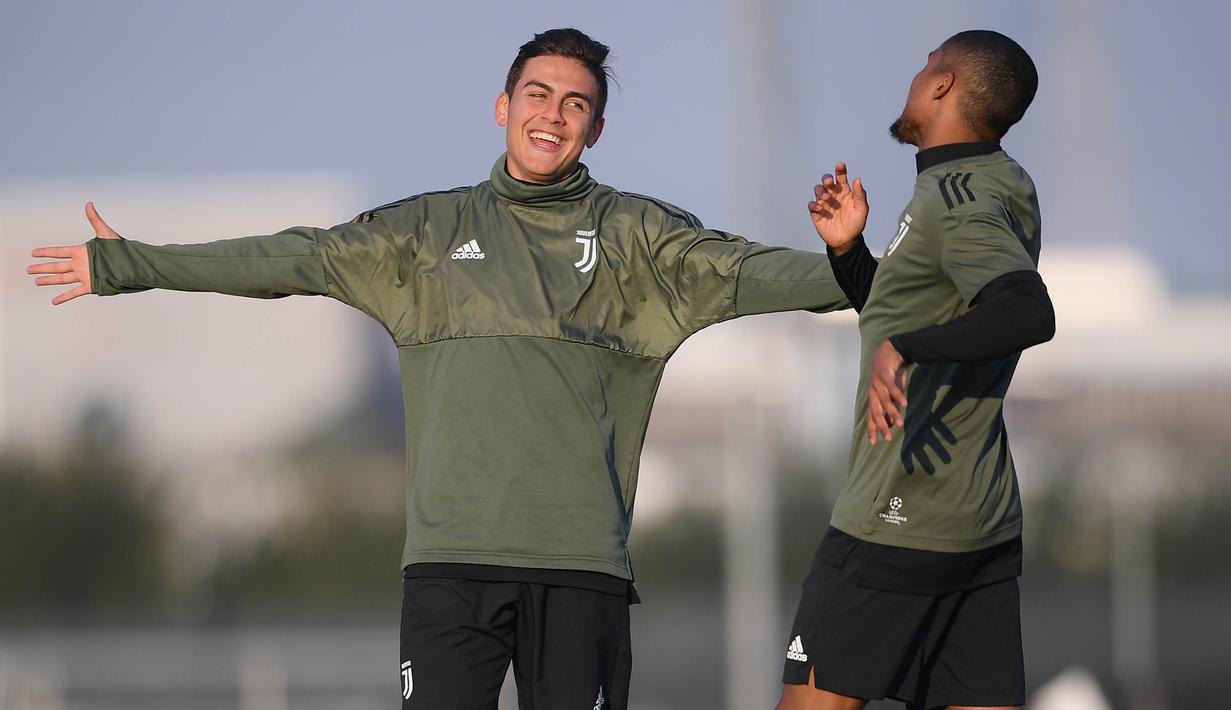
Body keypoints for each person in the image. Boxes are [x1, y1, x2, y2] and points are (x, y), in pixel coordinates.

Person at [29, 28, 849, 710]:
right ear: (503, 106)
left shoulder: (640, 241)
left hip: (581, 573)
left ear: (594, 130)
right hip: (449, 568)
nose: (552, 116)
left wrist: (862, 264)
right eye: (538, 94)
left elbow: (758, 275)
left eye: (576, 105)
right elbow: (288, 259)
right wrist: (131, 263)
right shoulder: (422, 236)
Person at [776, 30, 1055, 710]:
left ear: (942, 85)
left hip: (897, 518)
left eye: (925, 63)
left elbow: (1025, 311)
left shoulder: (952, 196)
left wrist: (903, 350)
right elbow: (923, 311)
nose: (914, 75)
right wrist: (850, 256)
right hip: (980, 524)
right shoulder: (996, 181)